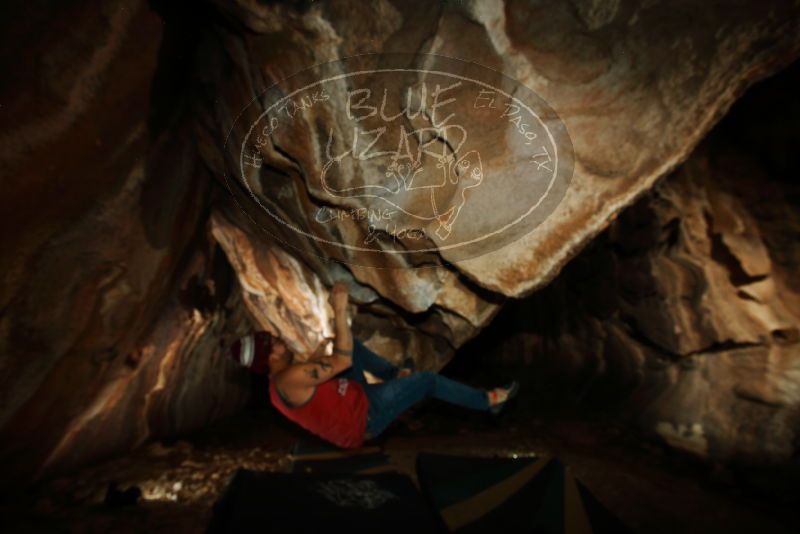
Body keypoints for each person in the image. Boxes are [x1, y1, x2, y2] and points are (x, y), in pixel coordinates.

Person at [228, 281, 519, 449]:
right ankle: (489, 401)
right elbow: (340, 362)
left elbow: (318, 377)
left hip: (356, 397)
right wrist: (339, 310)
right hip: (366, 416)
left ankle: (394, 374)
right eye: (275, 344)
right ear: (270, 357)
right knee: (427, 382)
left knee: (350, 344)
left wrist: (318, 354)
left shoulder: (280, 384)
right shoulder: (288, 378)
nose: (280, 342)